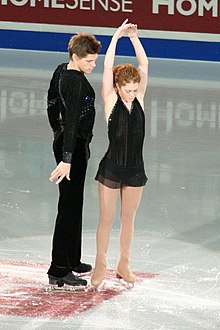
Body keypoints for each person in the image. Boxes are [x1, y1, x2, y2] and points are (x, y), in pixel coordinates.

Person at [91, 19, 148, 287]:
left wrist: (134, 38)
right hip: (112, 168)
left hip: (136, 169)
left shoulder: (139, 99)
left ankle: (123, 263)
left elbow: (144, 66)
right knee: (107, 218)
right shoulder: (110, 99)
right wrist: (115, 37)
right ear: (117, 87)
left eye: (135, 90)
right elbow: (106, 67)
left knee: (129, 220)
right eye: (128, 90)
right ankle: (100, 263)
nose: (132, 94)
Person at [47, 32, 102, 287]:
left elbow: (51, 104)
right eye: (89, 61)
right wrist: (67, 157)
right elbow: (71, 122)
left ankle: (73, 259)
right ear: (75, 57)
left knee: (74, 202)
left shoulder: (60, 70)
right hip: (73, 149)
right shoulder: (77, 82)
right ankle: (59, 269)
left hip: (66, 143)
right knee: (68, 207)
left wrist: (56, 134)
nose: (93, 66)